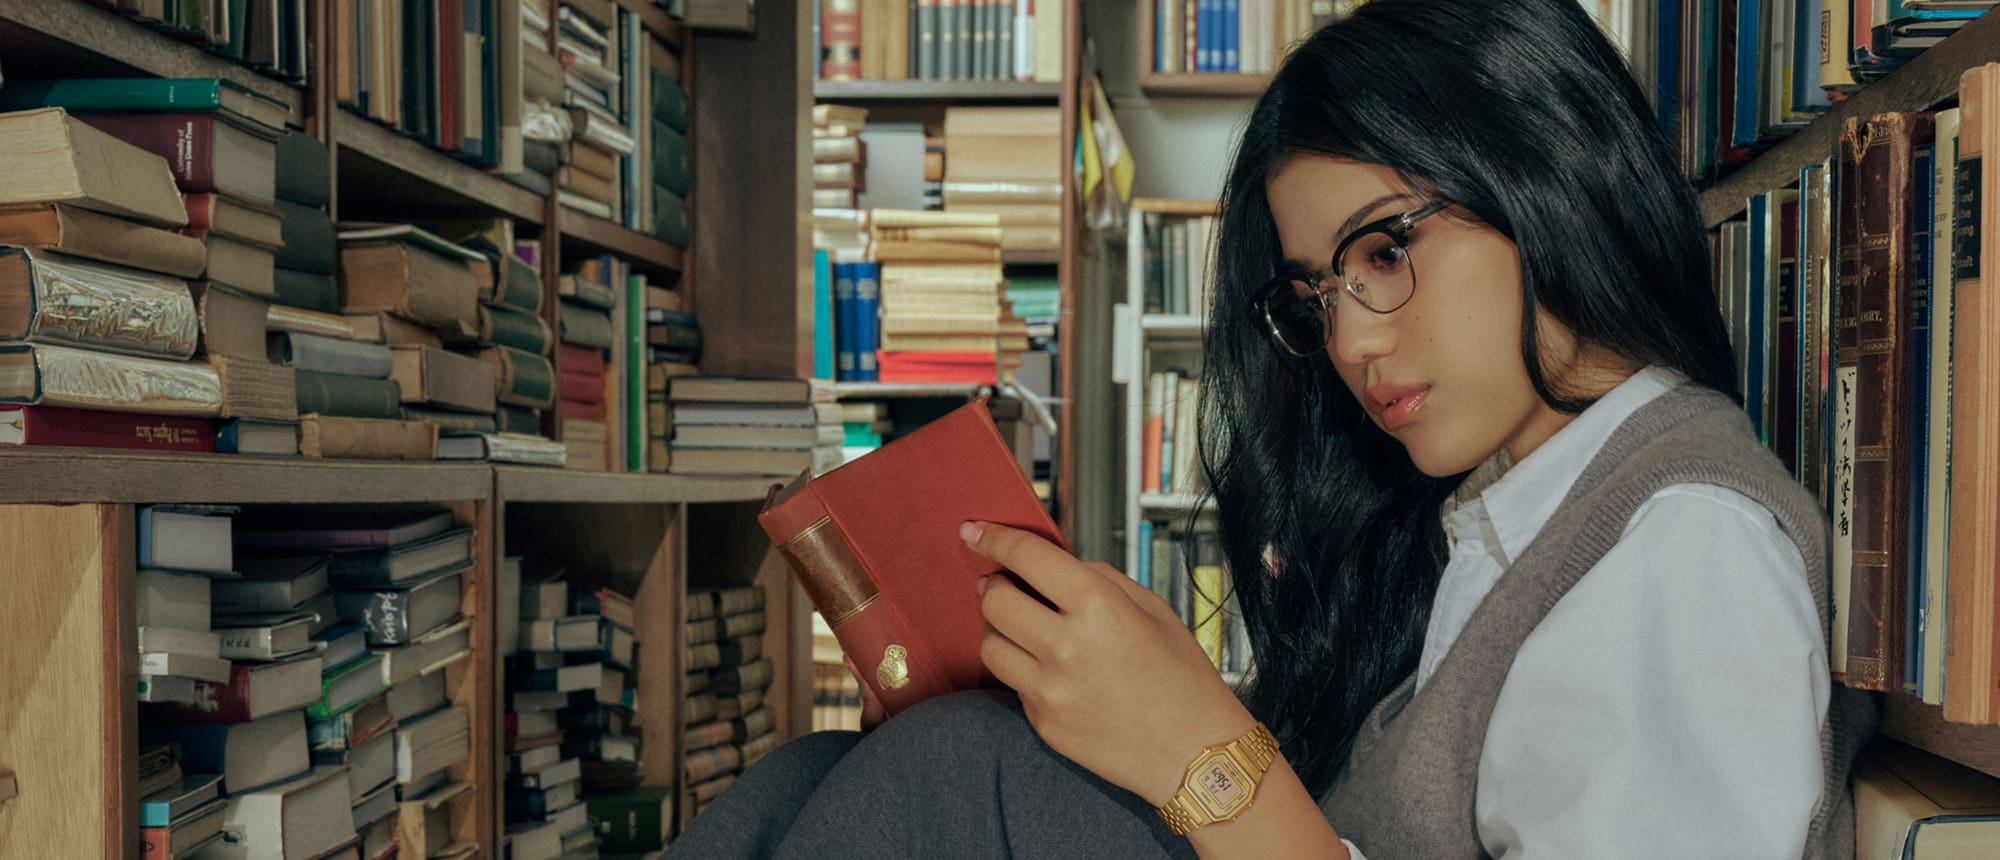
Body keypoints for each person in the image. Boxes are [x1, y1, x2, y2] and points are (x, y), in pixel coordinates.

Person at [669, 0, 1872, 856]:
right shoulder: (1511, 502)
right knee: (834, 771)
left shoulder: (1685, 544)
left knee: (951, 774)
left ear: (1547, 175)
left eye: (1385, 249)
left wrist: (1205, 753)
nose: (1346, 340)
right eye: (1313, 293)